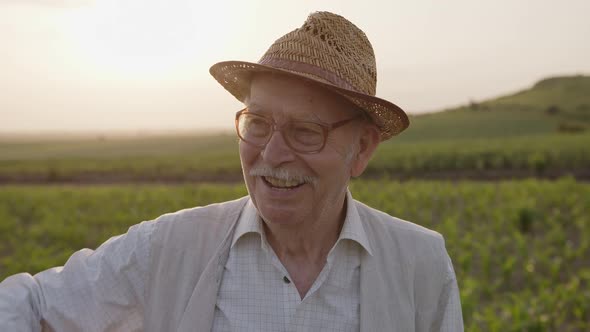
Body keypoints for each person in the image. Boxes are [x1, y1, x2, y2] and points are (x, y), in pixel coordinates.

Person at [0, 11, 463, 331]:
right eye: (258, 123)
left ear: (362, 148)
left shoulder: (420, 265)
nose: (272, 153)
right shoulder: (168, 248)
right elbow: (32, 305)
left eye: (306, 131)